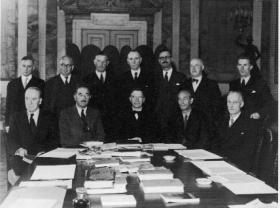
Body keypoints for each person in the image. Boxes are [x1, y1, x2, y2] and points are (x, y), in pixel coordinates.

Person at [7, 87, 58, 183]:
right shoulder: (16, 117)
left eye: (33, 99)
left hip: (43, 158)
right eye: (27, 98)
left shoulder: (50, 117)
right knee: (18, 176)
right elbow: (11, 139)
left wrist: (44, 152)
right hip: (22, 160)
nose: (29, 102)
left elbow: (54, 141)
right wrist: (18, 149)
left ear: (40, 101)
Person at [213, 91, 260, 172]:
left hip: (238, 166)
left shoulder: (250, 123)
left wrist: (224, 161)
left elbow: (247, 151)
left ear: (241, 104)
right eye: (229, 102)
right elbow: (215, 144)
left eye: (235, 102)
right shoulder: (222, 121)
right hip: (220, 163)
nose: (231, 106)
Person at [5, 56, 45, 132]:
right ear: (20, 67)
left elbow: (42, 104)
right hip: (15, 122)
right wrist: (7, 124)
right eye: (23, 66)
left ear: (33, 67)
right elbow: (8, 105)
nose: (26, 69)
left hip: (32, 121)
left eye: (29, 66)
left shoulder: (40, 83)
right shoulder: (12, 84)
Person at [229, 54, 274, 121]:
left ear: (251, 67)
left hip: (253, 120)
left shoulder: (260, 83)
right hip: (236, 121)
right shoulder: (233, 84)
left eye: (245, 65)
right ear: (237, 67)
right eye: (240, 65)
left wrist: (259, 114)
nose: (242, 68)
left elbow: (270, 102)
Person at [154, 49, 186, 140]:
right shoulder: (154, 77)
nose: (164, 59)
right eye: (161, 58)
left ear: (171, 59)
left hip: (176, 120)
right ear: (159, 61)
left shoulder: (181, 77)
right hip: (158, 121)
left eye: (167, 57)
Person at [83, 53, 116, 140]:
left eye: (104, 62)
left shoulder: (115, 79)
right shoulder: (86, 79)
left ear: (108, 63)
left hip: (111, 120)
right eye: (98, 61)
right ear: (94, 62)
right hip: (93, 119)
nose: (101, 64)